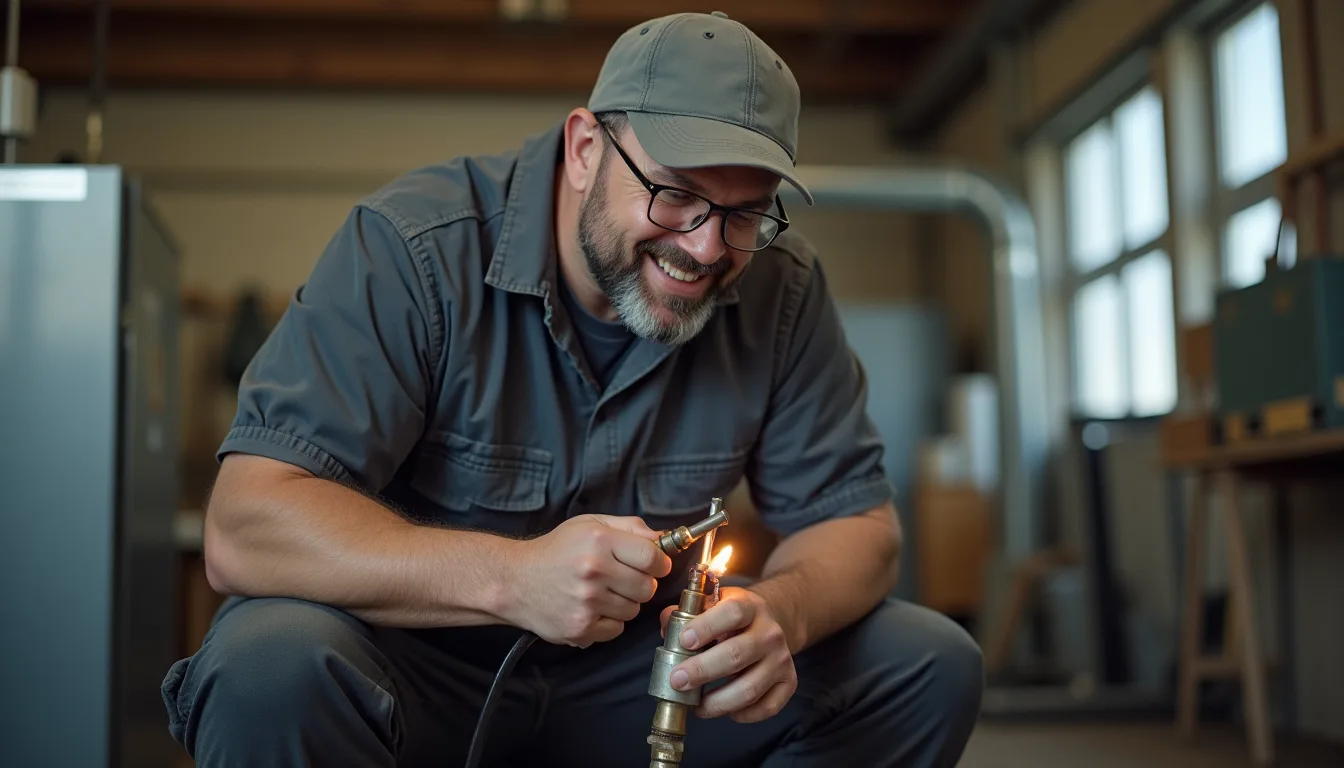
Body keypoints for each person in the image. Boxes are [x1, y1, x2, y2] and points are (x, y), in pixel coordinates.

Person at [160, 10, 983, 767]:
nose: (706, 248)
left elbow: (857, 525)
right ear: (587, 147)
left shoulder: (783, 290)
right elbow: (245, 526)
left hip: (643, 681)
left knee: (925, 665)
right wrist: (511, 579)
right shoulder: (414, 250)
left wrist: (780, 615)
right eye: (676, 194)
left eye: (745, 214)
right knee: (267, 666)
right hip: (416, 670)